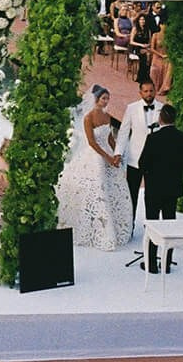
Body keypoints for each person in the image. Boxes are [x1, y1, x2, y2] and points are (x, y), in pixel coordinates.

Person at [54, 89, 132, 251]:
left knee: (113, 188)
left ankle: (114, 226)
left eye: (108, 98)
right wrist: (107, 157)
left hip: (108, 154)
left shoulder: (107, 116)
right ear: (96, 99)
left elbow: (110, 138)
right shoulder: (88, 117)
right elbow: (92, 142)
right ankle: (98, 229)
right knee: (97, 190)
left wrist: (116, 154)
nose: (106, 101)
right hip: (95, 156)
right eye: (103, 98)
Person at [137, 105, 183, 273]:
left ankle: (151, 264)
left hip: (154, 188)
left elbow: (142, 164)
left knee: (152, 225)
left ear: (161, 118)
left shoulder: (153, 138)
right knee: (169, 224)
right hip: (172, 188)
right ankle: (167, 263)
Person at [112, 81, 162, 219]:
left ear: (155, 91)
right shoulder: (131, 108)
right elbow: (123, 132)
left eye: (151, 90)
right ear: (140, 93)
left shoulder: (162, 108)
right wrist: (118, 153)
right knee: (131, 194)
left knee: (152, 196)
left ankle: (152, 231)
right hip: (135, 158)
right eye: (145, 91)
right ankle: (129, 227)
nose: (149, 94)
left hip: (155, 160)